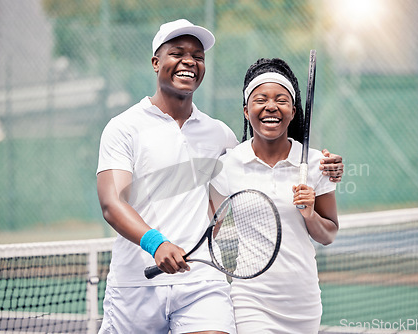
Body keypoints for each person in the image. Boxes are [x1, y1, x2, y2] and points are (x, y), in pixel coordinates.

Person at [96, 19, 343, 334]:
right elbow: (111, 203)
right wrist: (156, 244)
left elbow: (261, 161)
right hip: (136, 283)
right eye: (178, 53)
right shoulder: (123, 127)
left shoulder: (220, 137)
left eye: (198, 56)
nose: (190, 61)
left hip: (202, 284)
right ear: (156, 62)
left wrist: (328, 168)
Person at [210, 58, 339, 334]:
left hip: (303, 302)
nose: (271, 106)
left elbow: (328, 235)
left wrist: (310, 214)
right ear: (246, 111)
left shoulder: (317, 164)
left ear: (293, 111)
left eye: (281, 100)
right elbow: (211, 228)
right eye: (261, 100)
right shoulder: (228, 164)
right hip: (250, 300)